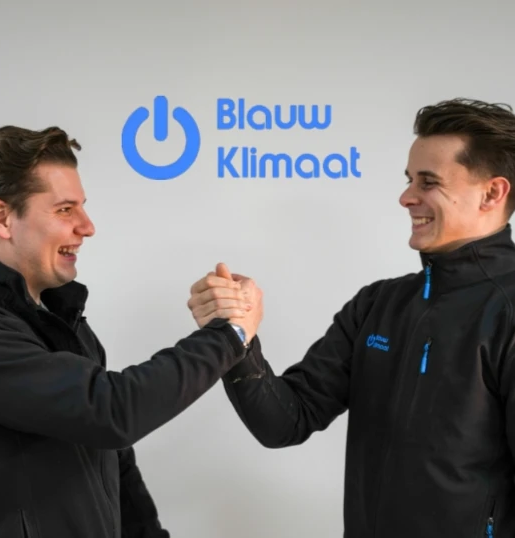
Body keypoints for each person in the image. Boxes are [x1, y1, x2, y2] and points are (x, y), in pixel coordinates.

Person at [187, 98, 515, 537]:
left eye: (429, 182)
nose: (406, 197)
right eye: (409, 180)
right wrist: (237, 334)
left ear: (492, 193)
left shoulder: (507, 312)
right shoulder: (378, 304)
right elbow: (285, 421)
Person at [0, 125, 263, 538]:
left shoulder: (60, 317)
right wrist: (230, 335)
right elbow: (109, 411)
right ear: (2, 218)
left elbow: (113, 457)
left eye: (82, 207)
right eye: (65, 210)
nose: (87, 226)